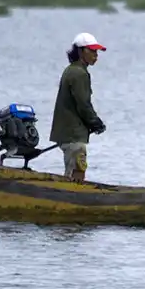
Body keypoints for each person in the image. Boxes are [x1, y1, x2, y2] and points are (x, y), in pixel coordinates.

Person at [49, 32, 107, 182]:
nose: (96, 55)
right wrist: (95, 122)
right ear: (81, 51)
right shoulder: (79, 74)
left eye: (96, 51)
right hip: (73, 134)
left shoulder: (71, 70)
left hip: (67, 133)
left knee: (72, 171)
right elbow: (83, 104)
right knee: (77, 173)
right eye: (92, 51)